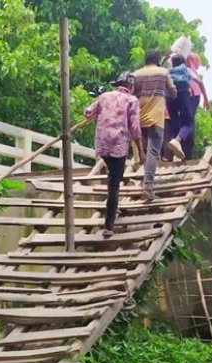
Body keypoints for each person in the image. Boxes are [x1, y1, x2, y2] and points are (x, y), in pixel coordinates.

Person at [83, 71, 142, 237]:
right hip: (118, 146)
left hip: (102, 145)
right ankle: (108, 226)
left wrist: (93, 117)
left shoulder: (104, 96)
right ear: (130, 87)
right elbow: (135, 129)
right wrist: (141, 152)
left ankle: (112, 210)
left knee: (112, 178)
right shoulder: (132, 100)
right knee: (114, 184)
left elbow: (88, 112)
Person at [133, 49, 177, 200]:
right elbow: (173, 92)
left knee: (144, 151)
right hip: (156, 118)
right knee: (153, 152)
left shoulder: (135, 74)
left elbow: (131, 96)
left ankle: (145, 181)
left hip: (139, 119)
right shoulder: (163, 72)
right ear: (157, 60)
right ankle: (148, 187)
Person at [165, 54, 210, 160]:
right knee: (188, 123)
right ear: (183, 62)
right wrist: (206, 99)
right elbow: (200, 82)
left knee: (175, 123)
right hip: (183, 95)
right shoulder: (187, 70)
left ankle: (177, 147)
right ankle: (177, 141)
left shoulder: (167, 71)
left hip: (169, 97)